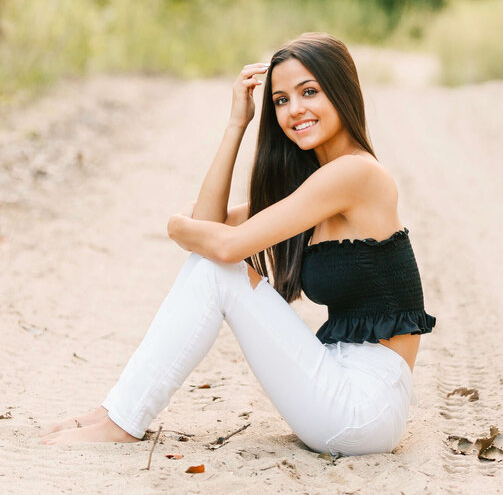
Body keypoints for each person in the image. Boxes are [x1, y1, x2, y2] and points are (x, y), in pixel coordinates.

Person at [41, 33, 435, 455]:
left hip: (364, 409)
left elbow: (221, 245)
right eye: (281, 100)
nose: (294, 110)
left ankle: (123, 419)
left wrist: (177, 226)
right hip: (340, 383)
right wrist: (236, 124)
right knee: (211, 264)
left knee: (218, 269)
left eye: (309, 92)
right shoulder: (313, 184)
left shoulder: (357, 175)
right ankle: (116, 412)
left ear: (342, 91)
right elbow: (210, 226)